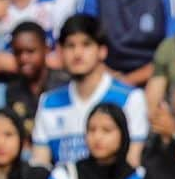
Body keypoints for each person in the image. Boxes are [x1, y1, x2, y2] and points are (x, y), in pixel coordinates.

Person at [32, 14, 148, 167]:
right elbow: (40, 166)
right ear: (60, 52)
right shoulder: (48, 102)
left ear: (102, 51)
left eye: (86, 45)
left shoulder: (130, 99)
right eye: (70, 46)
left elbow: (132, 164)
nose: (77, 54)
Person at [0, 21, 71, 138]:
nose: (24, 58)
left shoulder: (65, 84)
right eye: (18, 52)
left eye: (30, 51)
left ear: (46, 49)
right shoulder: (13, 90)